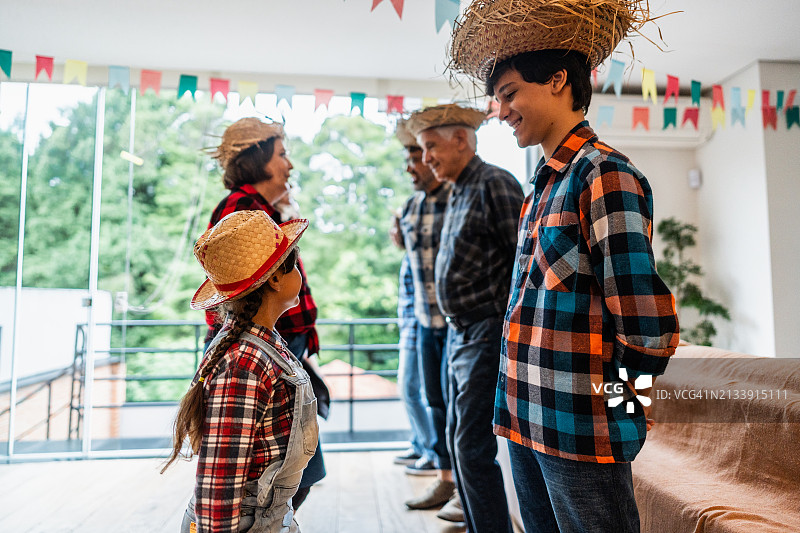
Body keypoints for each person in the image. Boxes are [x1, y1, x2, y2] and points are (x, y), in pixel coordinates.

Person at [449, 2, 681, 531]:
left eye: (509, 94)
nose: (500, 110)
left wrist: (622, 408)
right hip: (523, 414)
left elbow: (644, 322)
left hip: (580, 424)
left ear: (557, 81)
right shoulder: (542, 185)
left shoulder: (604, 175)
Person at [406, 103, 524, 532]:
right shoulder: (457, 188)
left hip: (486, 330)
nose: (428, 158)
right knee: (460, 443)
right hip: (460, 334)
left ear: (462, 141)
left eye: (432, 147)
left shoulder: (495, 183)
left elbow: (522, 266)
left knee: (471, 446)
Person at [163, 210, 317, 532]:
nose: (301, 273)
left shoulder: (261, 344)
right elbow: (218, 488)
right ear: (275, 279)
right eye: (295, 264)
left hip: (268, 516)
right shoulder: (244, 364)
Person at [205, 118, 328, 510]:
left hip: (275, 340)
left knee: (294, 466)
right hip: (261, 342)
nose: (289, 165)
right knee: (284, 469)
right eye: (282, 154)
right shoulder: (244, 209)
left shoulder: (259, 208)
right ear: (259, 160)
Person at [391, 120, 457, 512]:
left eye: (417, 156)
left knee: (458, 408)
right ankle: (444, 480)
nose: (413, 165)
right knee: (434, 401)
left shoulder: (457, 198)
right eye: (411, 157)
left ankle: (464, 488)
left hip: (456, 325)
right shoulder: (411, 208)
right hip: (423, 323)